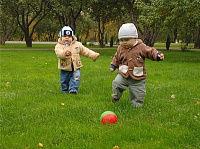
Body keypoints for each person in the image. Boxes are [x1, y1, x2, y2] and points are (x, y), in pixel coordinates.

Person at [110, 23, 164, 107]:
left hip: (137, 77)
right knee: (116, 84)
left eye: (127, 40)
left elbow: (150, 51)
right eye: (121, 40)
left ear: (135, 38)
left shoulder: (141, 47)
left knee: (138, 93)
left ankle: (136, 106)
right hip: (123, 74)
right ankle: (116, 97)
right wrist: (113, 65)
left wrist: (157, 55)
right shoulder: (120, 47)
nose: (124, 42)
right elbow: (117, 57)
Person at [55, 26, 100, 94]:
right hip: (65, 67)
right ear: (61, 37)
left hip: (76, 66)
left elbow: (85, 51)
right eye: (64, 36)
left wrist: (93, 55)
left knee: (76, 78)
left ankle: (73, 89)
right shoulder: (59, 46)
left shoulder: (77, 45)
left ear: (72, 37)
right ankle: (64, 90)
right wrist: (64, 53)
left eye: (69, 36)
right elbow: (58, 53)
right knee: (64, 80)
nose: (67, 37)